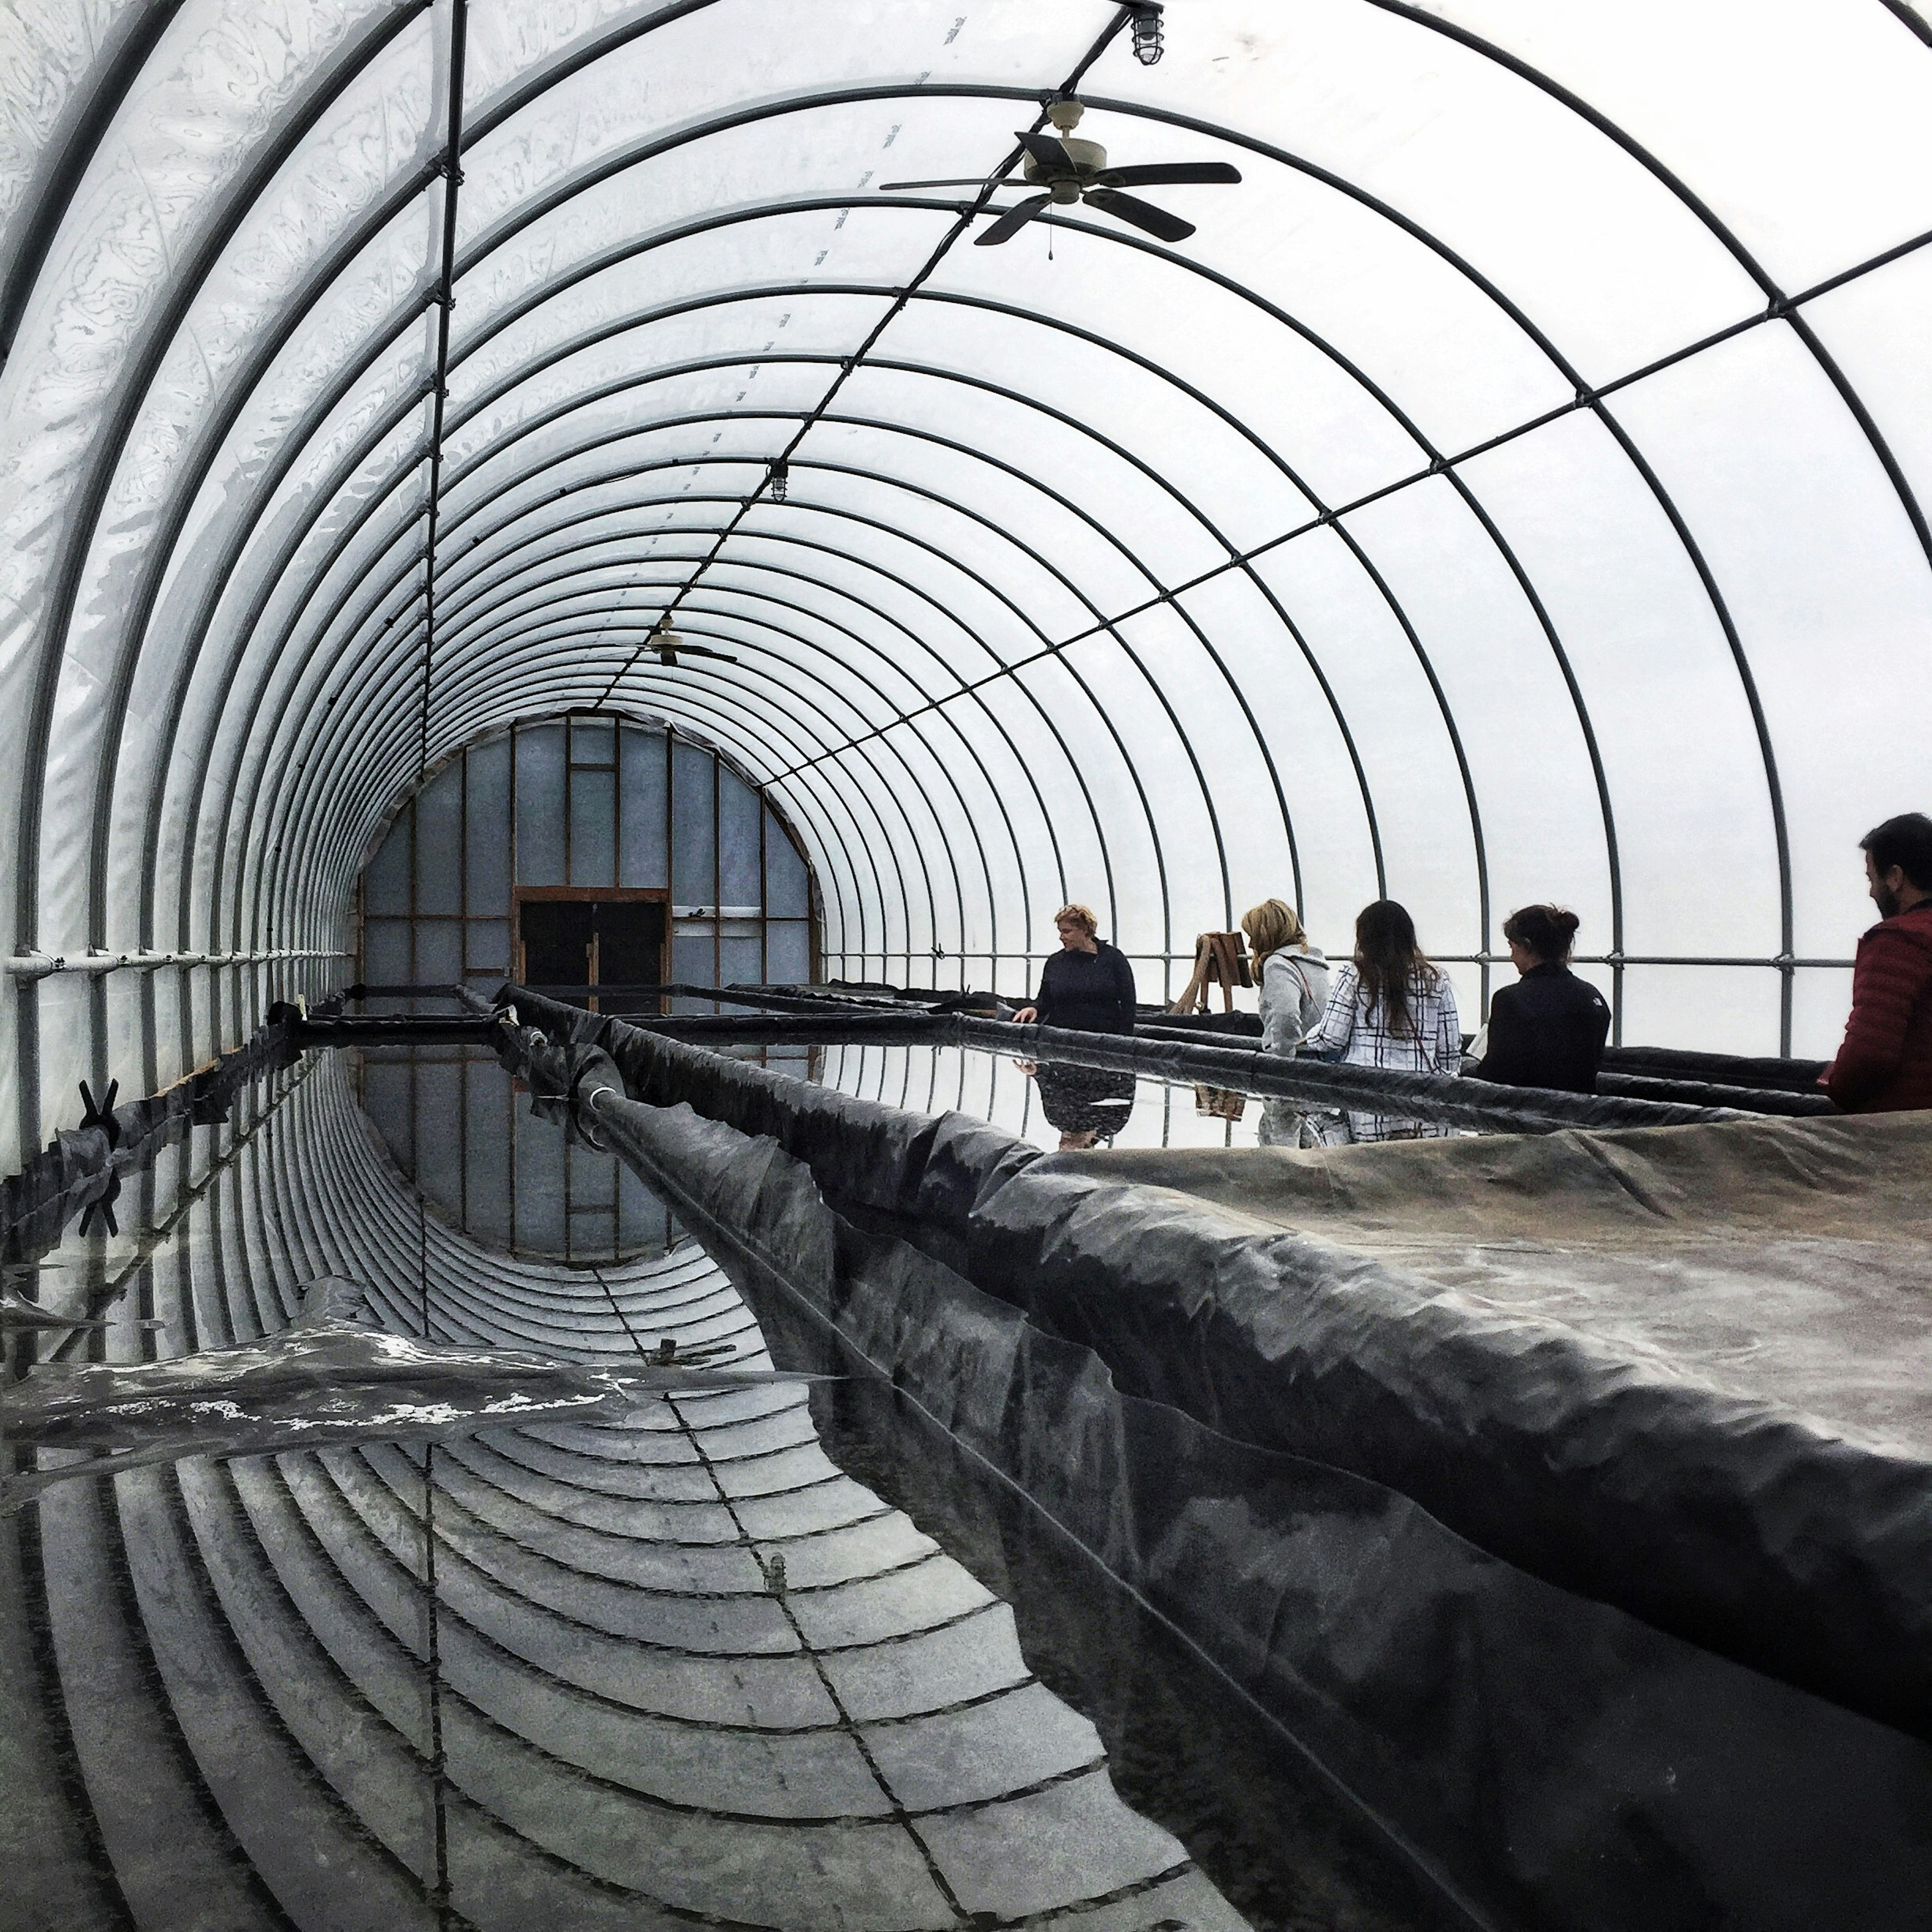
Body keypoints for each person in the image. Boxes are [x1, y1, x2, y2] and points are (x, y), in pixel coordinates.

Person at [1303, 900, 1461, 1141]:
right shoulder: (1436, 980)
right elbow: (1449, 1052)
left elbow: (1330, 1039)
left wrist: (1306, 1040)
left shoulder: (1355, 976)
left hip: (1363, 1097)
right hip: (1423, 1100)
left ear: (1365, 938)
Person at [1823, 812, 1932, 1113]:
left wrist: (1835, 1090)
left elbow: (1870, 1054)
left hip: (1906, 1129)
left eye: (1873, 879)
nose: (1871, 892)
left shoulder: (1899, 942)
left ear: (1896, 877)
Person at [1012, 903, 1140, 1148]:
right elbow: (1045, 999)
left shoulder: (1113, 960)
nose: (1062, 937)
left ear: (1086, 930)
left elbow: (1129, 1003)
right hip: (1062, 1044)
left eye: (1067, 931)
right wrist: (1034, 1009)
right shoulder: (1056, 963)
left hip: (1106, 1044)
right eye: (1061, 931)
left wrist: (1123, 1046)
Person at [1466, 905, 1609, 1094]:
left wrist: (1469, 1068)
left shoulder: (1511, 1000)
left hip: (1523, 1113)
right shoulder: (1593, 997)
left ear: (1527, 946)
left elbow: (1496, 1074)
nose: (1512, 957)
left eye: (1513, 948)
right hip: (1583, 1114)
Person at [1241, 898, 1331, 1147]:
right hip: (1319, 1066)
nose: (1249, 944)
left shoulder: (1277, 964)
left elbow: (1286, 1015)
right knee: (1314, 1147)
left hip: (1293, 1068)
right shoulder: (1314, 963)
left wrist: (1279, 1063)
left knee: (1282, 1152)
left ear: (1267, 935)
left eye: (1253, 936)